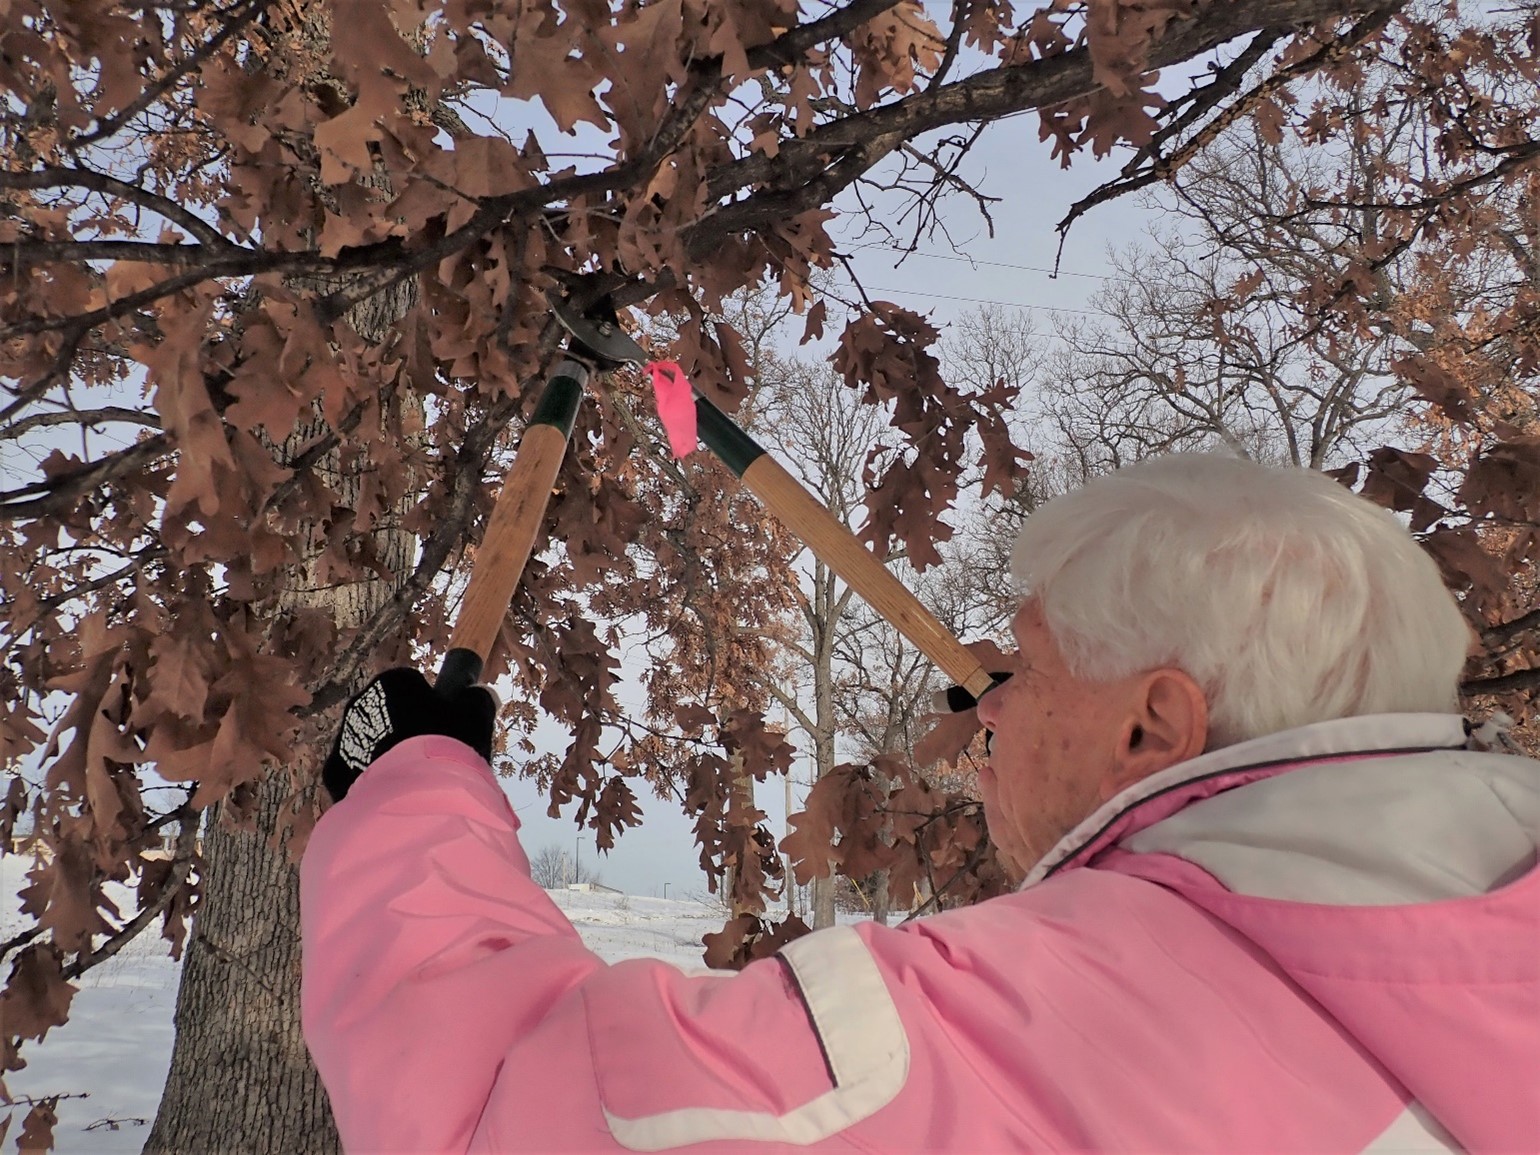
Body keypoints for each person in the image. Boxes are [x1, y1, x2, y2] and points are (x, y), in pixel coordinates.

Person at [301, 453, 1538, 1154]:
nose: (984, 712)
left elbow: (486, 1114)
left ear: (1150, 728)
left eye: (1024, 672)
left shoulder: (992, 1031)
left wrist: (411, 787)